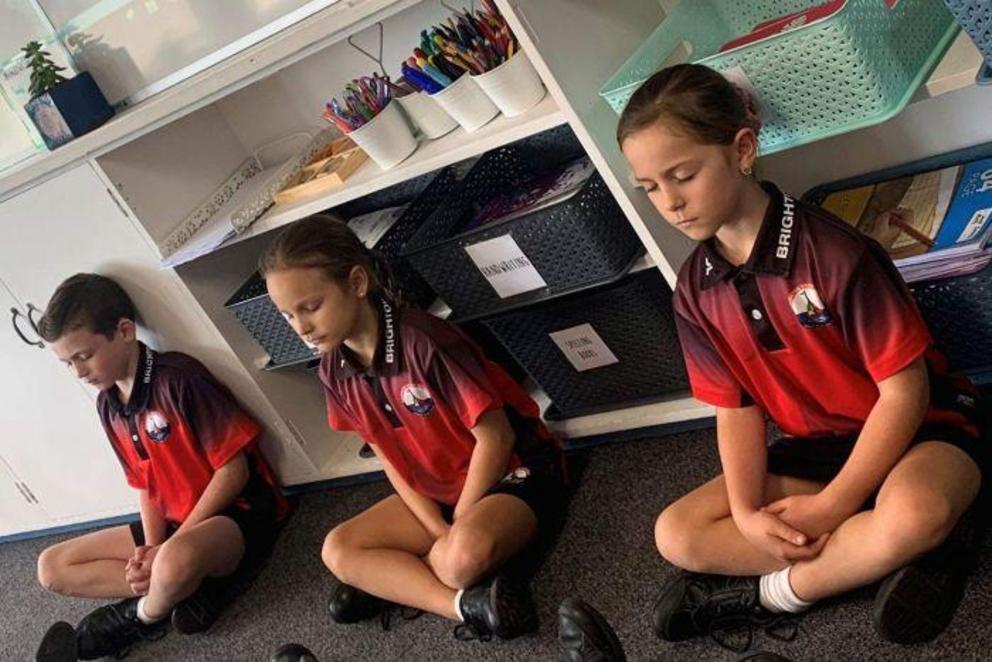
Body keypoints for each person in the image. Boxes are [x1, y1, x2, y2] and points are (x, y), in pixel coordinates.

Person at [615, 63, 987, 647]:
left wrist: (834, 506)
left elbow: (905, 391)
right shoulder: (693, 289)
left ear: (742, 150)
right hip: (813, 450)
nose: (670, 203)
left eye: (682, 175)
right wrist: (745, 513)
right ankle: (906, 554)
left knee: (914, 512)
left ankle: (771, 595)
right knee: (677, 534)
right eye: (651, 188)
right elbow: (735, 409)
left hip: (922, 430)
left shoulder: (837, 255)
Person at [262, 215, 567, 642]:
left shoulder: (426, 341)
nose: (302, 328)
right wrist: (434, 527)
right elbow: (387, 456)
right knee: (337, 548)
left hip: (510, 471)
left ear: (356, 283)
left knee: (457, 560)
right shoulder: (333, 368)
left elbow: (495, 438)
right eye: (287, 316)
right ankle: (465, 605)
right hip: (438, 491)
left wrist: (457, 523)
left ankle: (399, 581)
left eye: (311, 307)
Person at [34, 273, 289, 660]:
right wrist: (151, 548)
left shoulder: (180, 379)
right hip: (172, 526)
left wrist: (167, 548)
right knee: (51, 567)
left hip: (233, 517)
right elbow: (144, 484)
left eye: (84, 356)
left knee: (173, 561)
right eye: (68, 363)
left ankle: (140, 616)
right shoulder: (108, 403)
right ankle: (182, 590)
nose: (79, 373)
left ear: (124, 331)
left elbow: (233, 472)